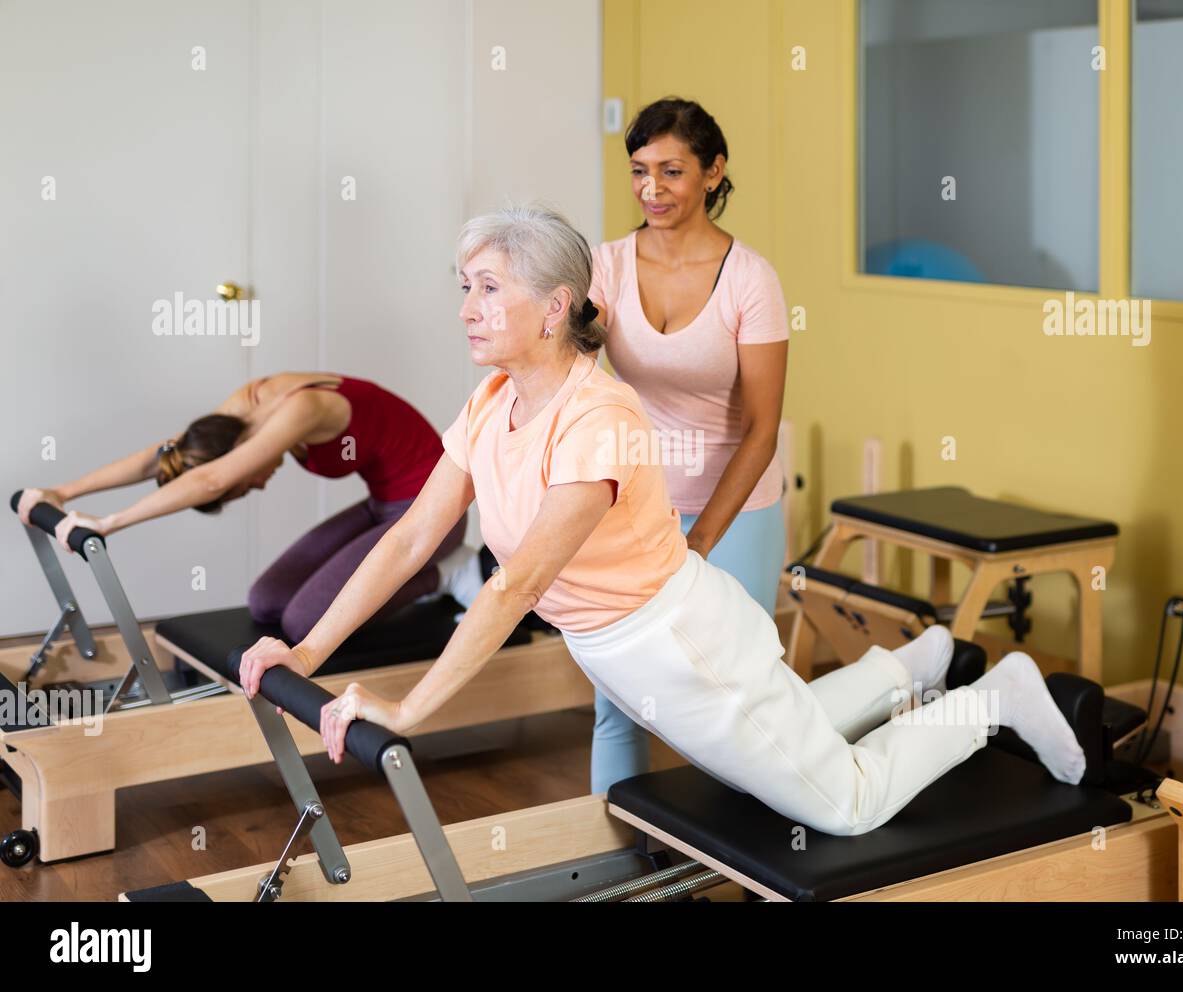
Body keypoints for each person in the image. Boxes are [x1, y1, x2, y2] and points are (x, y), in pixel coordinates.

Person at [237, 206, 1085, 836]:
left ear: (553, 306)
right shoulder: (494, 399)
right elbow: (413, 537)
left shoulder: (599, 418)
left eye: (490, 289)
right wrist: (307, 652)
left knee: (848, 806)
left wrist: (411, 709)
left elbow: (516, 586)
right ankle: (915, 662)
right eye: (465, 287)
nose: (468, 307)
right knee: (789, 733)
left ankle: (996, 700)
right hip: (629, 649)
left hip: (680, 648)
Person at [586, 97, 789, 791]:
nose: (652, 189)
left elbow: (764, 428)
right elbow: (573, 372)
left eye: (671, 171)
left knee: (735, 703)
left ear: (713, 172)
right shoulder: (605, 267)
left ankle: (755, 867)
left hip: (736, 511)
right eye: (639, 171)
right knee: (617, 701)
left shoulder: (751, 279)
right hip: (638, 504)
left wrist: (699, 541)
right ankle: (617, 877)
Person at [17, 373, 482, 641]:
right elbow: (162, 456)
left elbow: (213, 478)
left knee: (304, 622)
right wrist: (63, 492)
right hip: (386, 504)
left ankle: (449, 572)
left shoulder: (302, 409)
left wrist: (110, 523)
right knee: (266, 602)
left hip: (433, 514)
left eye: (246, 486)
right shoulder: (241, 412)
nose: (256, 485)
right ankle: (436, 570)